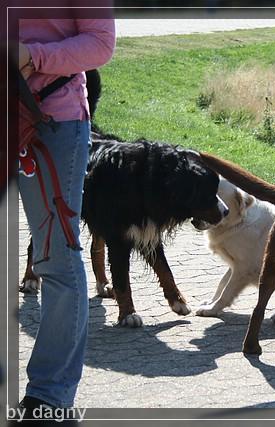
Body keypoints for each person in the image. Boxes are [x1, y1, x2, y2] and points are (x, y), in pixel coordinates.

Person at [17, 18, 116, 420]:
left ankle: (49, 397)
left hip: (49, 120)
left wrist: (31, 55)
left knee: (56, 256)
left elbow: (99, 44)